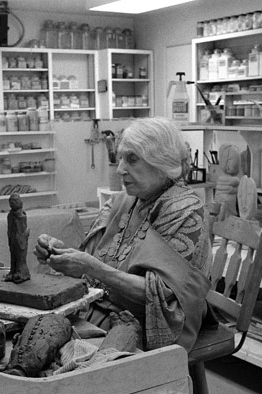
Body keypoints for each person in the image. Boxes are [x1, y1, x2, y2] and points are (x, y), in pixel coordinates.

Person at [34, 117, 212, 352]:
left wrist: (90, 267)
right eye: (120, 158)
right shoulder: (125, 200)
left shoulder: (185, 211)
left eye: (132, 159)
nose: (120, 170)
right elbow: (92, 257)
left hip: (145, 324)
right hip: (102, 308)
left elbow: (163, 300)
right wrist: (61, 254)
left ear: (161, 162)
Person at [5, 193, 31, 283]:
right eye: (11, 201)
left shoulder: (21, 215)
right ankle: (13, 271)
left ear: (20, 202)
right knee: (13, 256)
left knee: (20, 257)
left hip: (20, 239)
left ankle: (22, 273)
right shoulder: (10, 215)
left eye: (15, 201)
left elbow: (23, 228)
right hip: (12, 238)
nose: (12, 203)